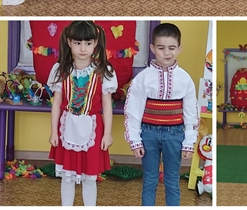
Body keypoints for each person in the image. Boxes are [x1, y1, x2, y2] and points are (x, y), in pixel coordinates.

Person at [124, 23, 199, 206]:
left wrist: (189, 142)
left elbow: (191, 114)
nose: (167, 53)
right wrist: (135, 140)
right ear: (152, 48)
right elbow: (133, 111)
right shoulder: (143, 78)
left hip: (175, 135)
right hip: (148, 134)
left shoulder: (185, 79)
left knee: (172, 181)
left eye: (172, 48)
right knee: (149, 180)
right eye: (161, 48)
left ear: (179, 48)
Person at [48, 21, 118, 206]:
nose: (83, 48)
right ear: (69, 42)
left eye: (88, 43)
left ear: (95, 44)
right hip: (67, 128)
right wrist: (54, 132)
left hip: (93, 130)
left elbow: (107, 105)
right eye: (78, 43)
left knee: (89, 178)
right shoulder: (61, 70)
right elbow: (57, 103)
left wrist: (107, 133)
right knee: (67, 177)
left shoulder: (104, 71)